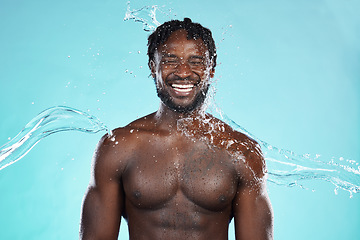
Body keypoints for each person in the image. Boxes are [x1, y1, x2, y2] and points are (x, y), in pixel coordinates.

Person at [80, 18, 273, 240]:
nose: (183, 72)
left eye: (196, 61)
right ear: (153, 67)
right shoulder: (118, 147)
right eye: (170, 60)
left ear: (211, 69)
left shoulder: (241, 152)